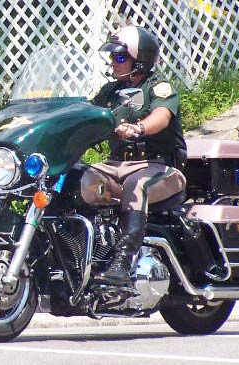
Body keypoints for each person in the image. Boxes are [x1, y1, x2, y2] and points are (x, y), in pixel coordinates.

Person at [85, 25, 187, 288]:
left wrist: (139, 128)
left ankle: (123, 262)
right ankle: (87, 256)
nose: (113, 62)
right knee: (78, 180)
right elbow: (87, 115)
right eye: (113, 57)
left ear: (139, 62)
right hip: (115, 165)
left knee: (137, 186)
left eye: (120, 57)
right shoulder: (109, 91)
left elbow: (161, 117)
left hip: (158, 168)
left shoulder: (159, 87)